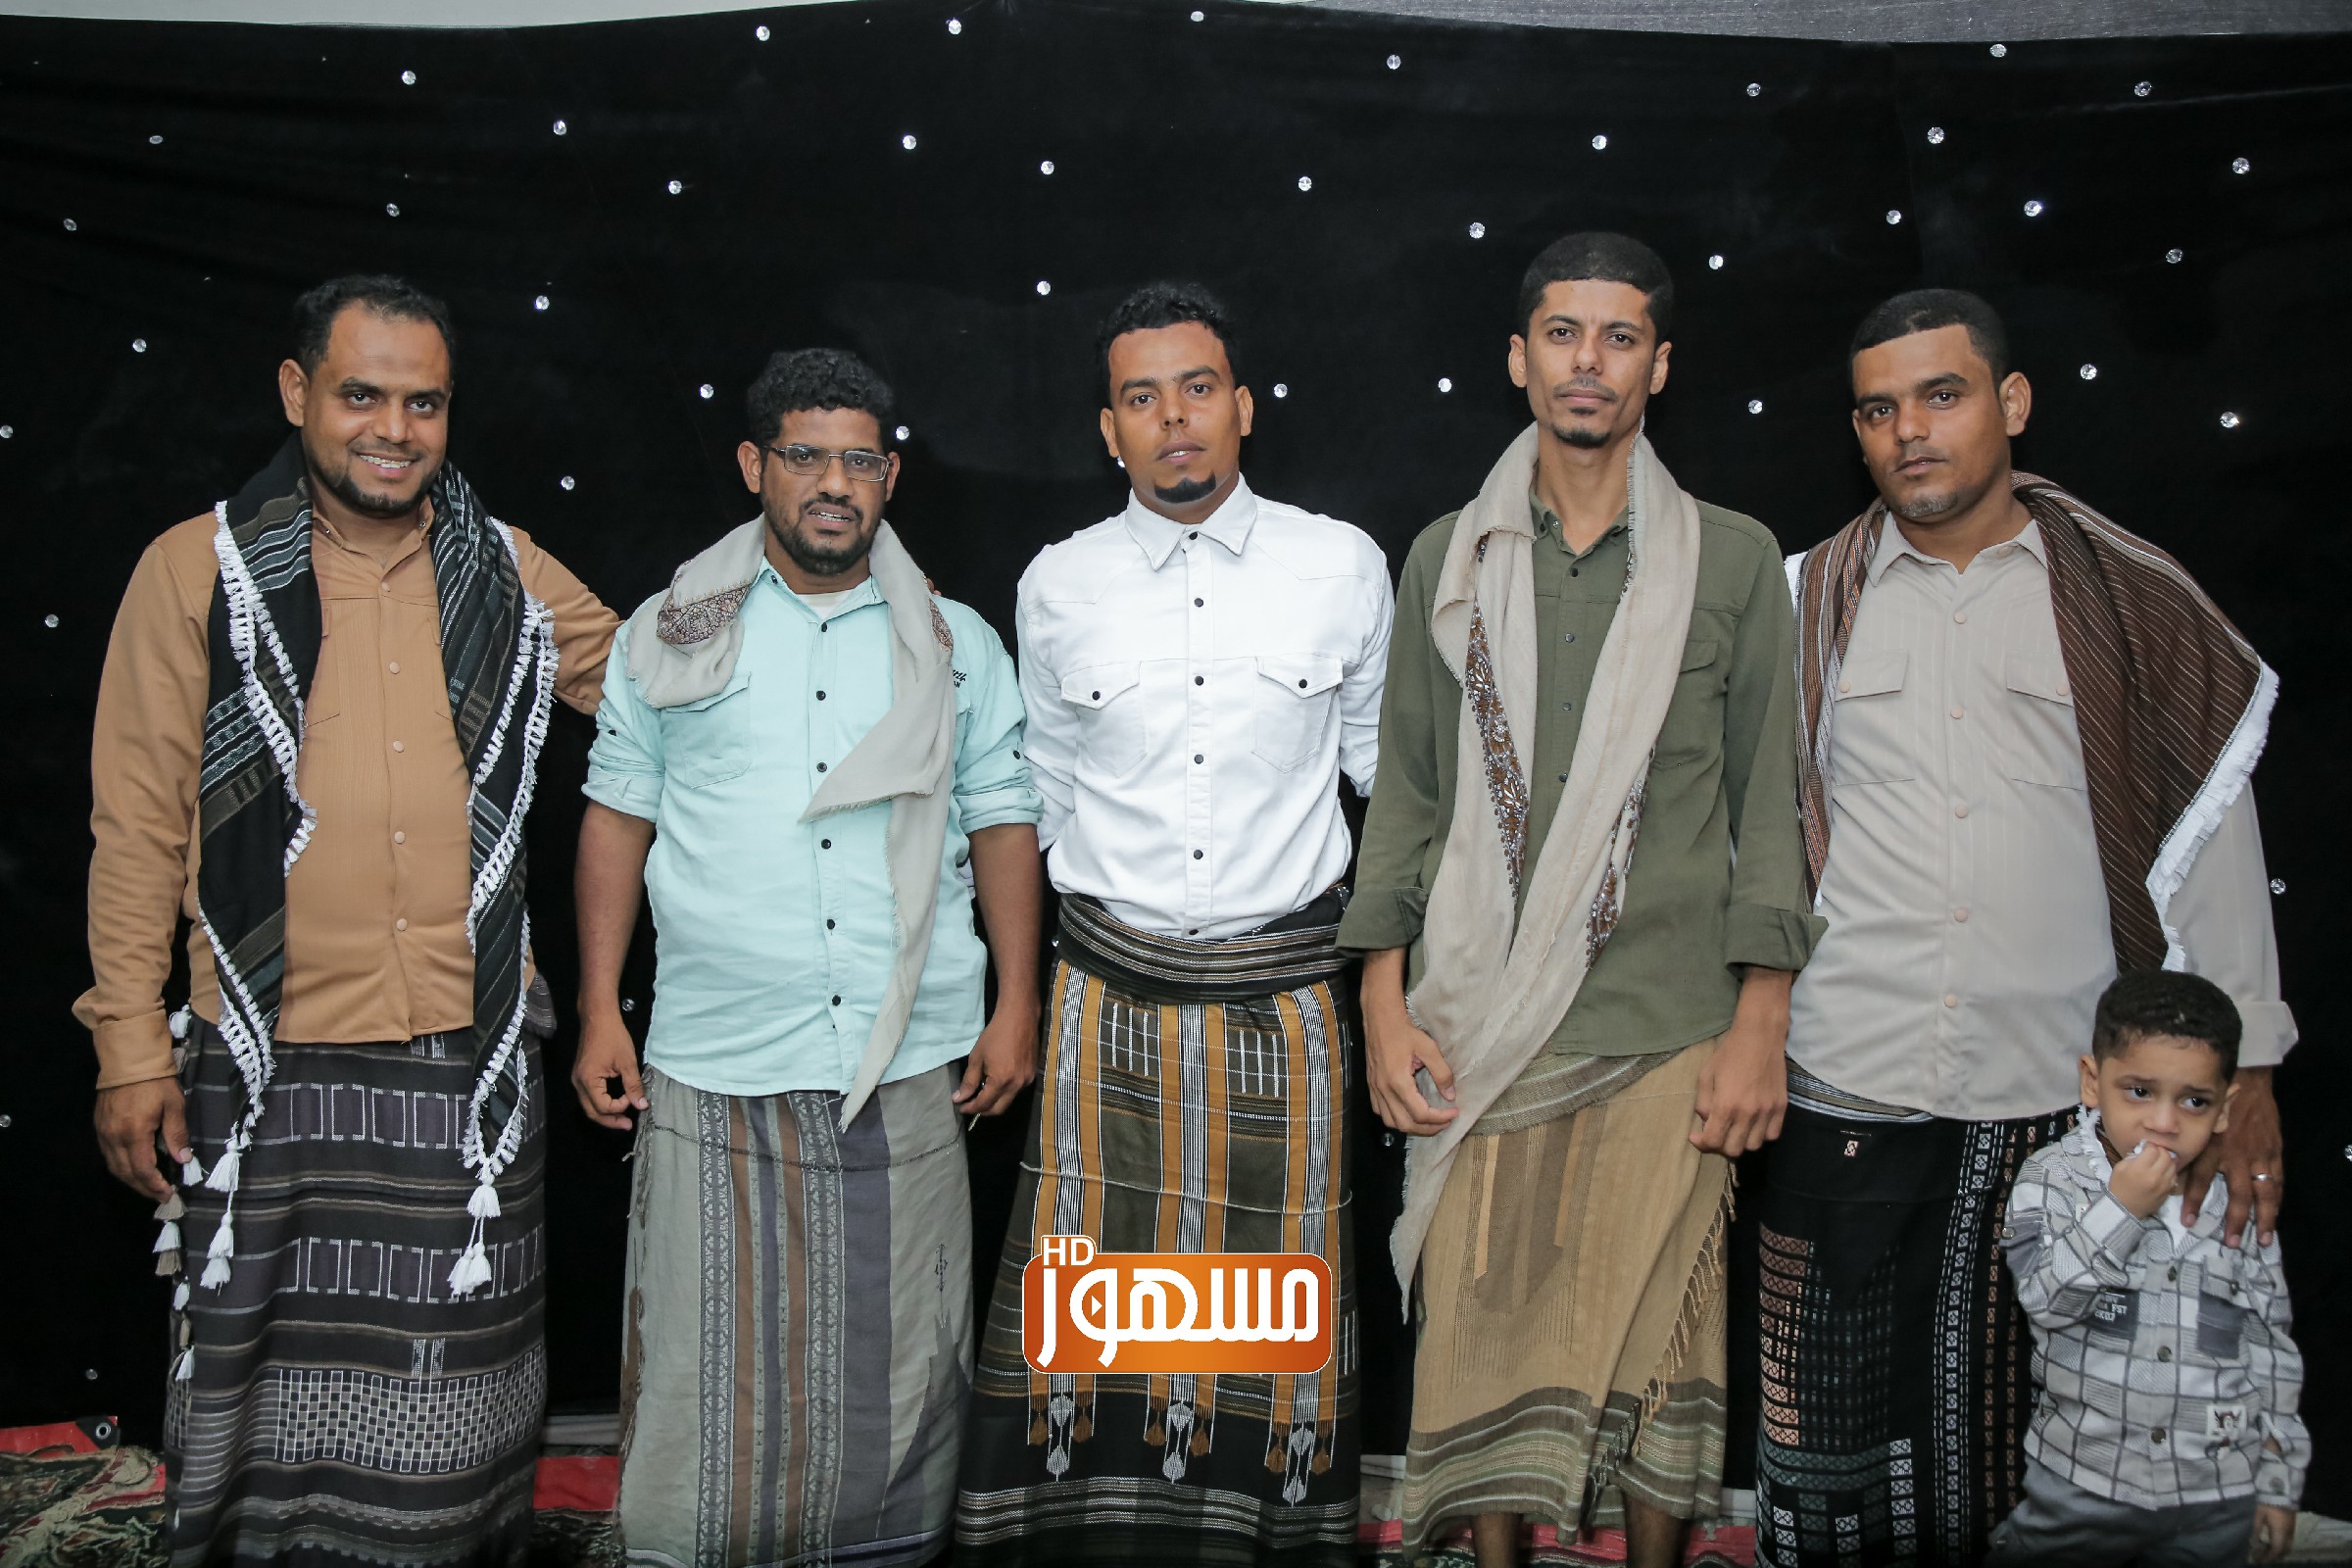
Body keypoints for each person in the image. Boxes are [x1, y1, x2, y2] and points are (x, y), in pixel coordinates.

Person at [82, 274, 618, 1566]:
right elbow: (138, 824)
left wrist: (820, 595)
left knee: (455, 1405)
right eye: (362, 394)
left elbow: (664, 682)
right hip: (262, 1057)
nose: (394, 428)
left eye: (423, 403)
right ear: (297, 392)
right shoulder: (198, 569)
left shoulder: (505, 569)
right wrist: (129, 1049)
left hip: (461, 1054)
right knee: (252, 1398)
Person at [1758, 289, 2296, 1567]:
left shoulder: (2130, 597)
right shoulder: (1800, 600)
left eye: (1941, 396)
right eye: (1879, 410)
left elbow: (2213, 845)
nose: (1910, 431)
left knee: (2047, 1451)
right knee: (1830, 1450)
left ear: (2011, 403)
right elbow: (1749, 843)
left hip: (2063, 1107)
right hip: (1847, 1079)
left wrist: (2251, 1073)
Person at [1341, 231, 1820, 1568]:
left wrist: (1761, 1023)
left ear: (1660, 366)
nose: (1588, 361)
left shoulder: (1733, 561)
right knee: (1483, 1319)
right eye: (1563, 333)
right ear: (1519, 358)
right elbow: (1409, 797)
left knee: (1667, 1341)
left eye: (1620, 337)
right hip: (1478, 1020)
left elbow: (1768, 807)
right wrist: (1381, 1002)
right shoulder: (1447, 554)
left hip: (1670, 1021)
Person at [571, 347, 1044, 1567]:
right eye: (805, 456)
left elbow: (1002, 819)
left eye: (859, 461)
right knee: (706, 1356)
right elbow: (618, 815)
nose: (834, 483)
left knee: (899, 1352)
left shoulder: (955, 642)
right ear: (755, 466)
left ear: (890, 477)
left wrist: (1017, 1003)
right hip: (717, 1050)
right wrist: (599, 1007)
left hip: (908, 1050)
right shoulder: (666, 637)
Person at [954, 282, 1392, 1566]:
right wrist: (1016, 1000)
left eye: (1198, 389)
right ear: (1110, 431)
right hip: (1107, 1006)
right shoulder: (1059, 584)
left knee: (1270, 1329)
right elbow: (1031, 806)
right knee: (1097, 1329)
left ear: (1243, 406)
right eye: (1141, 398)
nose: (1175, 419)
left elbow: (1393, 796)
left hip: (1287, 1005)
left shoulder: (1340, 564)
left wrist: (1395, 993)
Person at [1989, 969, 2305, 1567]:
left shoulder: (2234, 1202)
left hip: (2217, 1494)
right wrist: (2122, 1210)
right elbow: (2047, 1302)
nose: (2164, 1122)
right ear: (2092, 1082)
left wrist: (2278, 1482)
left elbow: (2271, 1347)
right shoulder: (2052, 1180)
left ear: (2224, 1109)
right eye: (2139, 1091)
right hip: (2082, 1486)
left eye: (2194, 1101)